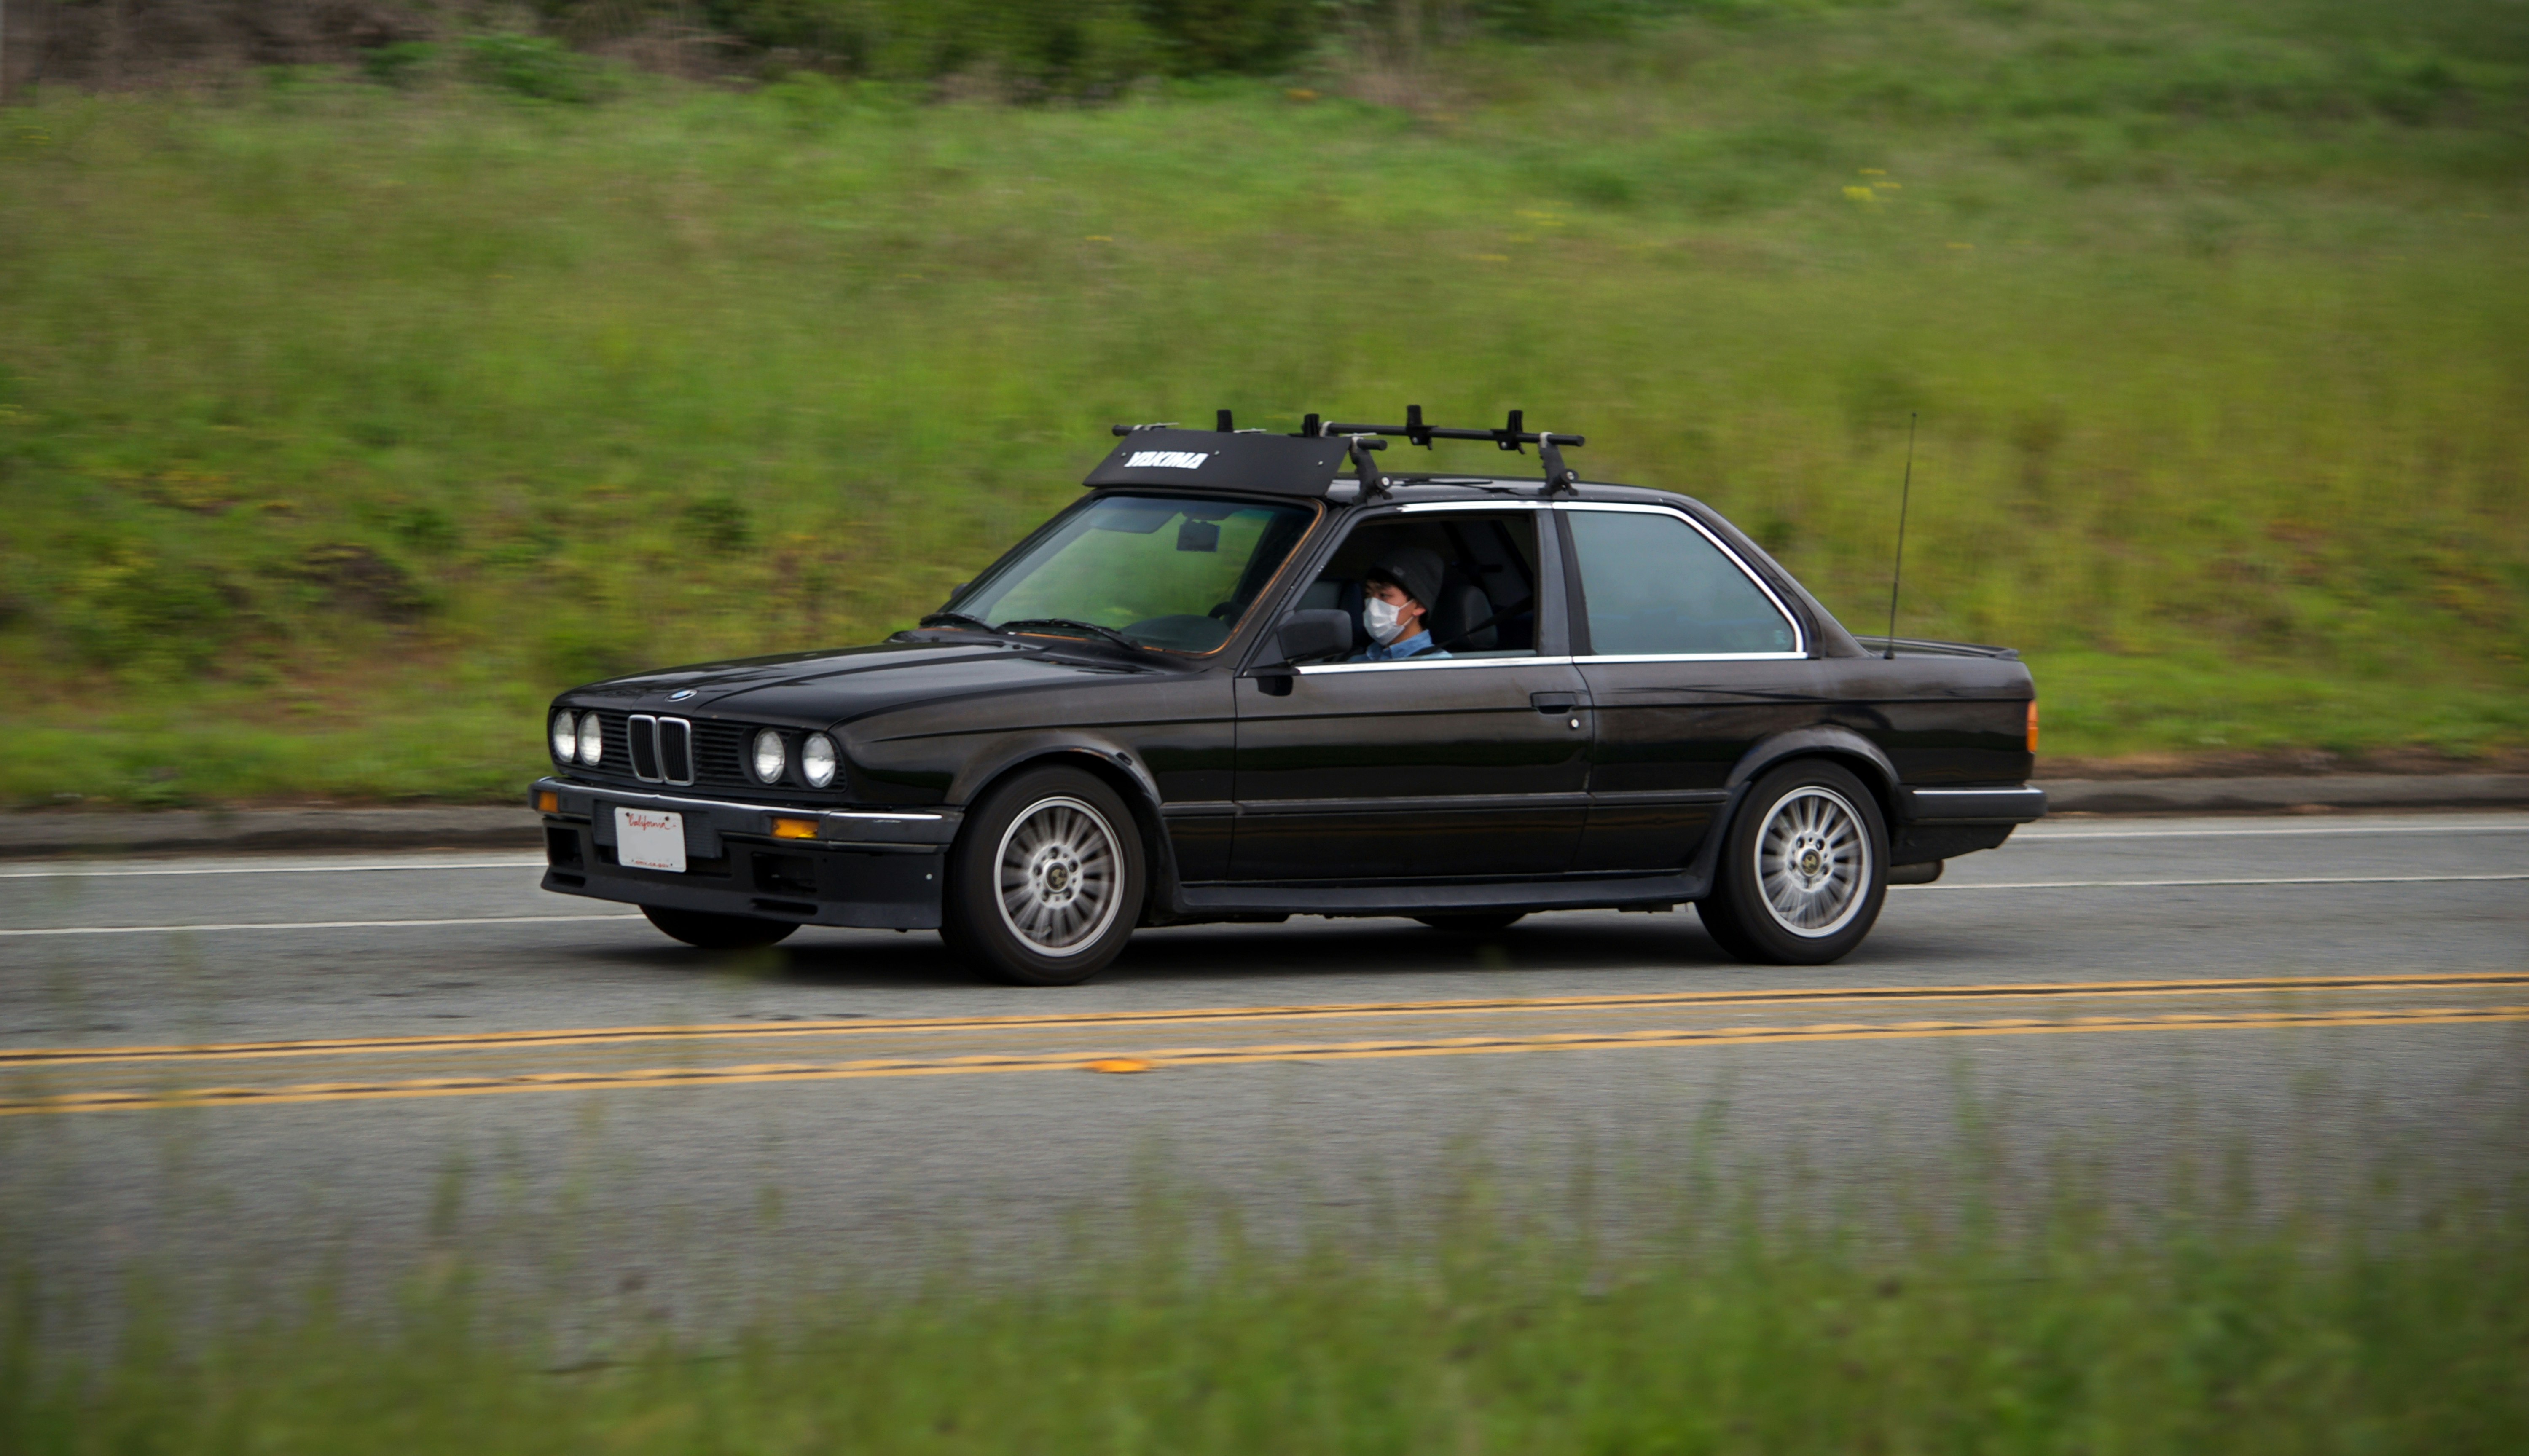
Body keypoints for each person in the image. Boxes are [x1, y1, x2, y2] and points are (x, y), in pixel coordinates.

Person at [1350, 547, 1452, 662]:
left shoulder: (1436, 667)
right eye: (1368, 594)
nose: (1372, 605)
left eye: (1384, 595)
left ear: (1419, 606)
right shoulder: (1356, 661)